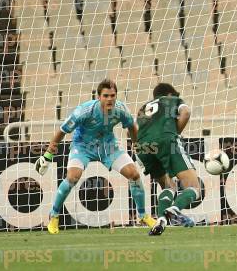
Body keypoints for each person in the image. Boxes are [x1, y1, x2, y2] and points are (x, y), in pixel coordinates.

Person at [35, 79, 156, 234]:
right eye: (106, 96)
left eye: (113, 95)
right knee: (72, 177)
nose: (110, 99)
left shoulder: (121, 110)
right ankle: (54, 215)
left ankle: (143, 215)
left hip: (108, 146)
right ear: (99, 97)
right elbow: (62, 130)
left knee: (134, 174)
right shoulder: (84, 111)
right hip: (83, 146)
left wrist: (137, 146)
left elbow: (132, 127)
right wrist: (48, 154)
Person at [133, 83, 200, 236]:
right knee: (194, 187)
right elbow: (186, 113)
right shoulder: (172, 100)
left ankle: (161, 219)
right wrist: (173, 133)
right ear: (169, 94)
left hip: (142, 147)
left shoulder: (143, 108)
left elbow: (133, 129)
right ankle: (174, 210)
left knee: (168, 187)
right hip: (165, 141)